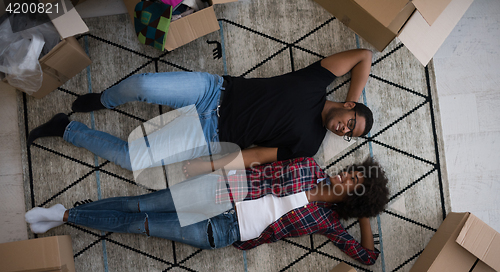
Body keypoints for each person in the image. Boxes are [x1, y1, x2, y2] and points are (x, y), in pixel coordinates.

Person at [27, 49, 374, 177]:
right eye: (351, 122)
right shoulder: (317, 83)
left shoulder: (310, 143)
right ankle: (106, 100)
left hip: (207, 135)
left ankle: (66, 129)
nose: (344, 128)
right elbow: (363, 56)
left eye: (349, 133)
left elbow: (254, 156)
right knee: (145, 86)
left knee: (133, 160)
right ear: (347, 105)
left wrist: (206, 166)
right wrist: (353, 99)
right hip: (215, 90)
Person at [25, 156, 389, 265]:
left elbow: (368, 257)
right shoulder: (309, 166)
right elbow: (259, 165)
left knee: (142, 225)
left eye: (353, 182)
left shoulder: (327, 222)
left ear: (351, 199)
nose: (345, 175)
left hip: (225, 232)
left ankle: (67, 217)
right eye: (353, 171)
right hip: (219, 192)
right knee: (142, 204)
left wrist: (364, 215)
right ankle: (64, 215)